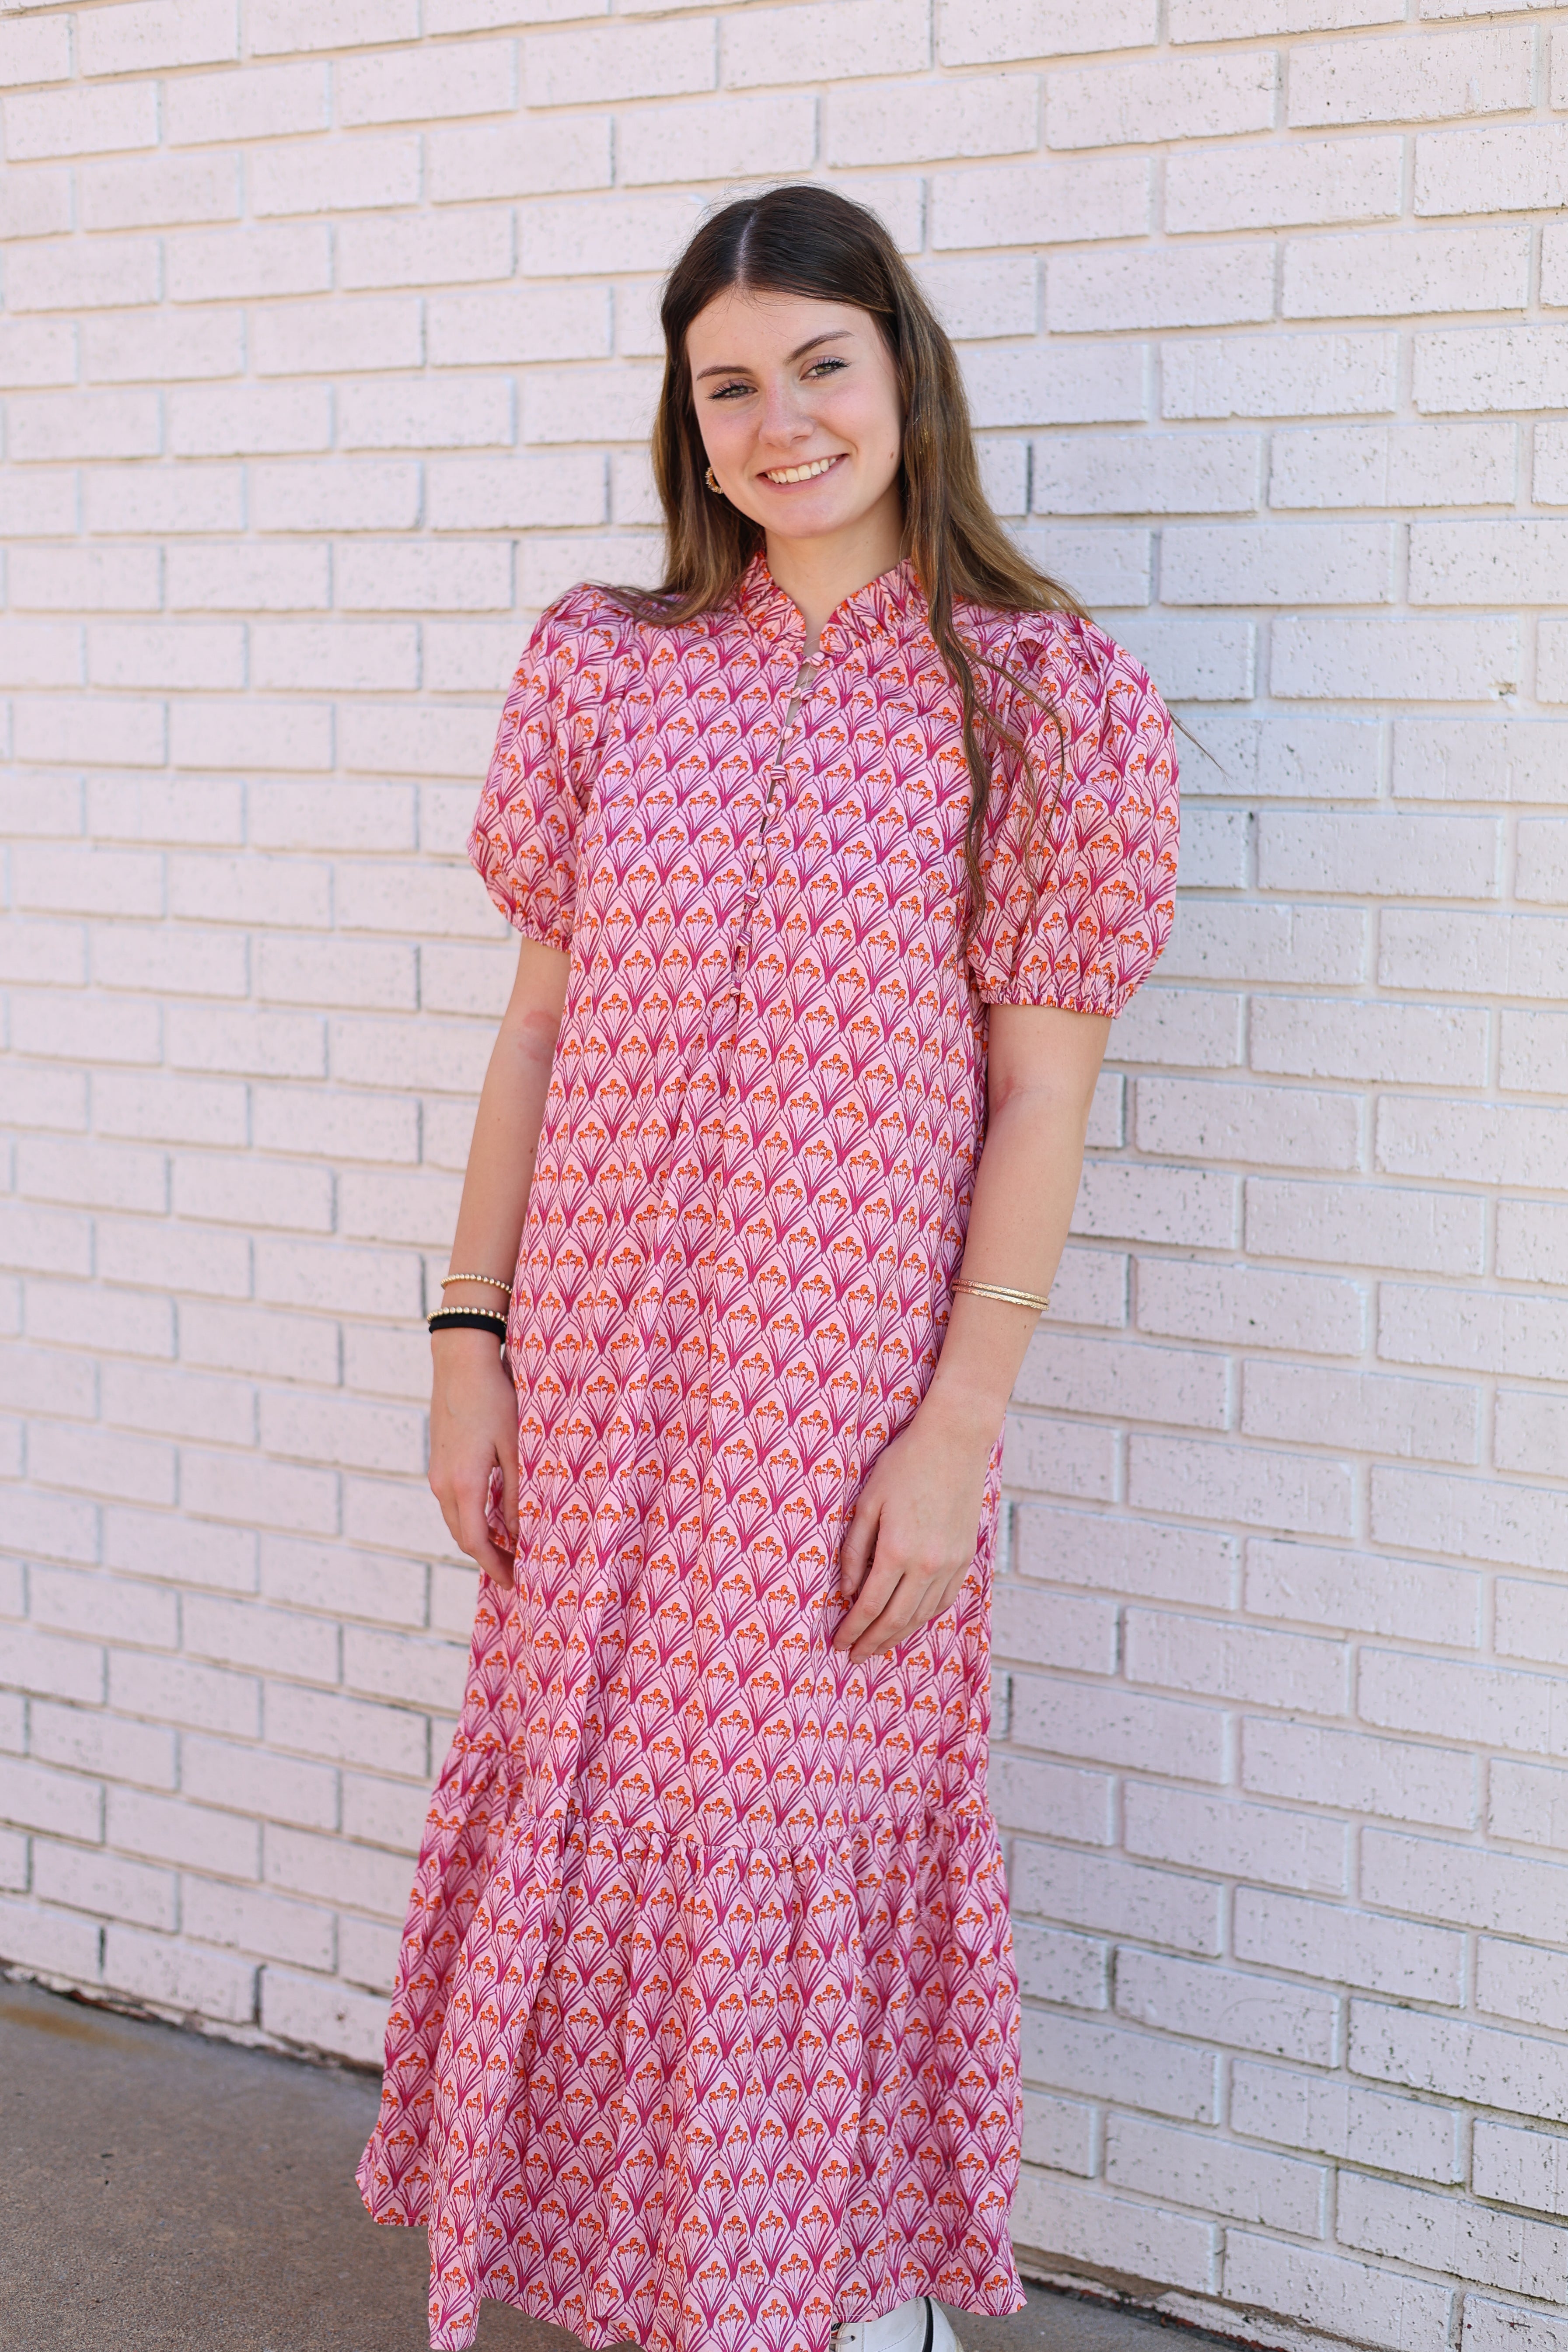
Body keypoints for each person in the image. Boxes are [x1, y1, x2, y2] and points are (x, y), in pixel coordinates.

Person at [356, 181, 1178, 2352]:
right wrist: (470, 1339)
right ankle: (651, 2296)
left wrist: (958, 1429)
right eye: (729, 383)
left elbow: (1043, 1099)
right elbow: (534, 1025)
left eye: (818, 362)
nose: (778, 418)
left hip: (840, 1400)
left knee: (784, 1823)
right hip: (597, 1366)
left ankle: (821, 2304)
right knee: (597, 1807)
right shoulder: (605, 667)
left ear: (903, 366)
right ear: (687, 417)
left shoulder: (1044, 696)